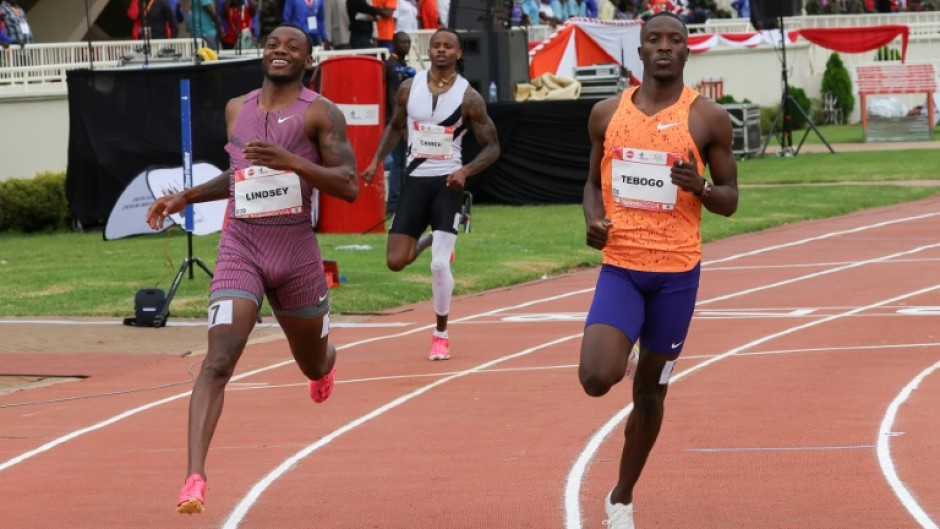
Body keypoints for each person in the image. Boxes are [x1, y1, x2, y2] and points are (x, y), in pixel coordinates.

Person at [144, 22, 359, 515]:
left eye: (292, 47)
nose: (280, 51)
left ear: (308, 61)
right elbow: (239, 175)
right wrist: (186, 196)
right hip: (241, 246)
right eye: (273, 44)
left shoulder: (320, 113)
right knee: (219, 358)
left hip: (295, 253)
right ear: (263, 53)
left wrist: (292, 162)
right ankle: (194, 478)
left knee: (312, 362)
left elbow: (348, 185)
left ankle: (325, 365)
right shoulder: (236, 109)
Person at [577, 12, 737, 529]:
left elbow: (730, 199)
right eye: (654, 40)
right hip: (622, 267)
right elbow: (591, 183)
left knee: (649, 394)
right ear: (639, 51)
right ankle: (622, 345)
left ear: (687, 51)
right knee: (596, 378)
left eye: (674, 40)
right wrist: (593, 220)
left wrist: (701, 187)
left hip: (676, 276)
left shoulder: (708, 119)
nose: (664, 47)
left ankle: (621, 497)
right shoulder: (606, 113)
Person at [361, 28, 500, 361]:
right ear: (429, 50)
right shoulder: (409, 89)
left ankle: (441, 334)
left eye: (448, 46)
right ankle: (427, 241)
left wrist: (465, 171)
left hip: (447, 183)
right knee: (396, 261)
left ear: (458, 53)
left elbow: (493, 147)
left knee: (439, 265)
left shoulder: (469, 98)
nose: (441, 50)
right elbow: (396, 126)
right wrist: (375, 161)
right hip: (415, 181)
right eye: (436, 45)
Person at [382, 31, 413, 214]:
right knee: (398, 162)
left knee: (402, 161)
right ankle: (394, 202)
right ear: (394, 43)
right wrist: (400, 123)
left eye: (408, 42)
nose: (406, 46)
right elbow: (394, 97)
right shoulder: (392, 65)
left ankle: (400, 200)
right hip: (395, 119)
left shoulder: (402, 64)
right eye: (402, 43)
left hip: (401, 118)